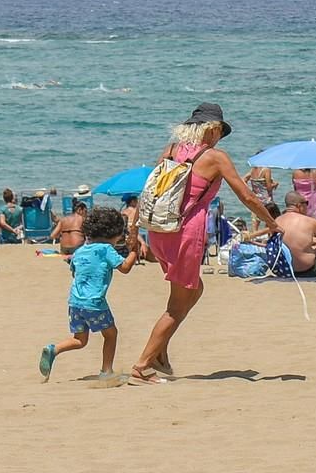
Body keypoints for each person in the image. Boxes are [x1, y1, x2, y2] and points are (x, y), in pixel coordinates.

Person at [131, 103, 280, 384]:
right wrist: (271, 222)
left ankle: (159, 352)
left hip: (159, 230)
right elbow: (246, 196)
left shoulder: (171, 150)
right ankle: (141, 367)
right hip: (185, 233)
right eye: (219, 132)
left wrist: (133, 226)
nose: (219, 138)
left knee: (194, 290)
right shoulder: (215, 157)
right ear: (211, 129)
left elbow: (150, 188)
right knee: (178, 305)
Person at [39, 207, 139, 382]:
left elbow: (74, 272)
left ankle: (53, 349)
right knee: (111, 334)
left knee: (80, 340)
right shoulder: (106, 249)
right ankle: (106, 371)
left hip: (75, 303)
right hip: (95, 303)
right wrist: (133, 252)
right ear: (114, 233)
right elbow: (125, 268)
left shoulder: (80, 251)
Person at [273, 192, 316, 278]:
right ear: (299, 205)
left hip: (283, 270)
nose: (307, 206)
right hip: (308, 271)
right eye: (306, 203)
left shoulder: (276, 221)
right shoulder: (310, 222)